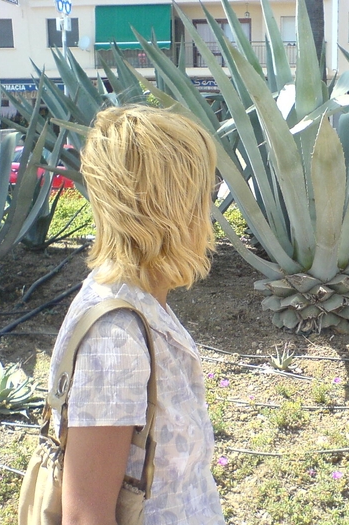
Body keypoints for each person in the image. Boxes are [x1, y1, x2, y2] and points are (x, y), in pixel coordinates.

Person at [48, 105, 225, 525]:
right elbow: (85, 517)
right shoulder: (115, 338)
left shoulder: (141, 300)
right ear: (172, 207)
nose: (210, 206)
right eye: (206, 191)